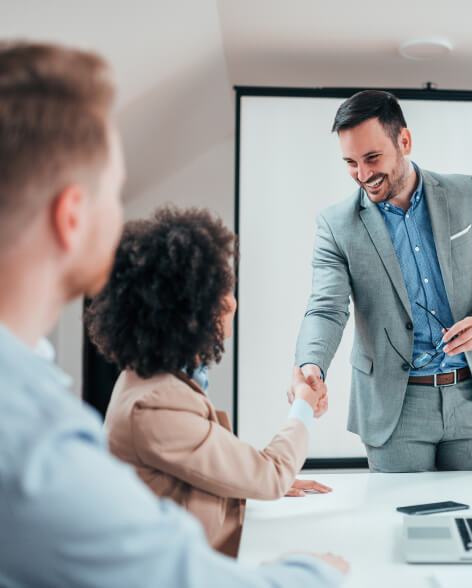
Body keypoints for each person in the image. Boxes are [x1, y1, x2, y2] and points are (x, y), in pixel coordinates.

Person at [0, 41, 348, 587]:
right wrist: (314, 572)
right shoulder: (33, 439)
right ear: (71, 216)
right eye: (114, 193)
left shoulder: (44, 404)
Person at [294, 90, 472, 473]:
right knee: (402, 529)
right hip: (394, 407)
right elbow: (326, 307)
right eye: (350, 163)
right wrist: (311, 365)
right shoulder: (335, 226)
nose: (363, 174)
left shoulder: (464, 193)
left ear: (404, 141)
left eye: (372, 158)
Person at [84, 206, 332, 558]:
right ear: (184, 310)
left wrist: (245, 484)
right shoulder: (156, 403)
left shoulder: (147, 380)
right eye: (219, 291)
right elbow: (271, 474)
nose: (231, 301)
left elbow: (191, 476)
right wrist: (303, 404)